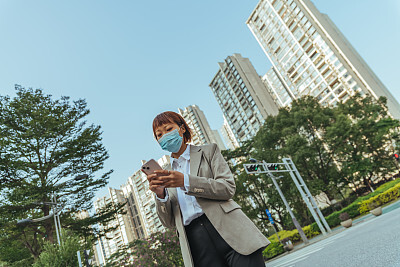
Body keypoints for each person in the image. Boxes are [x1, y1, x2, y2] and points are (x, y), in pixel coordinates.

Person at [145, 111, 270, 267]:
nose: (164, 136)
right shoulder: (165, 174)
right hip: (196, 244)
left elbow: (227, 188)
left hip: (230, 230)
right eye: (159, 134)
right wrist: (161, 195)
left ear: (182, 129)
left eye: (169, 129)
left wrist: (186, 181)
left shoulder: (209, 151)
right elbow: (169, 222)